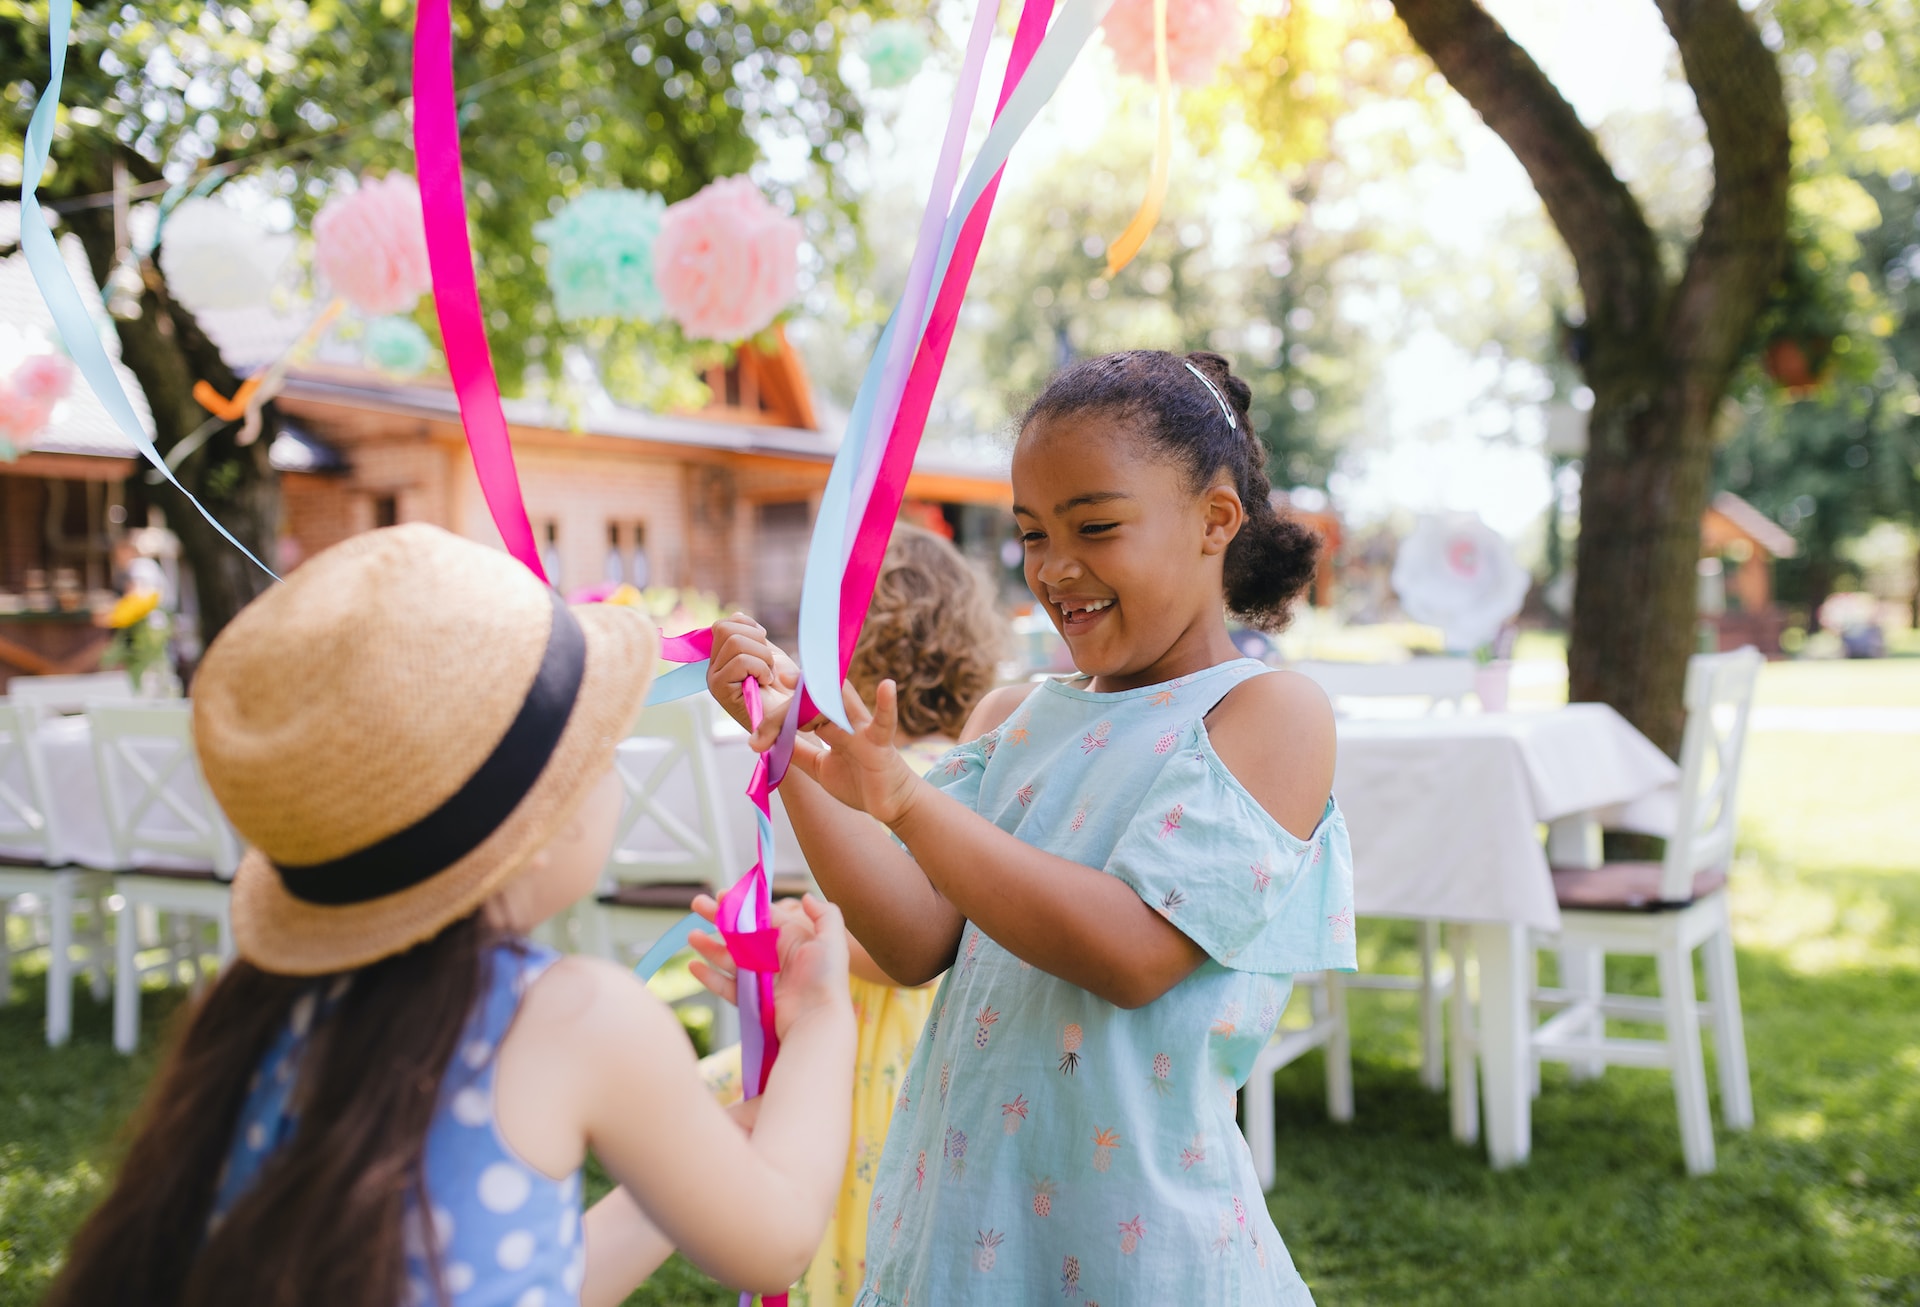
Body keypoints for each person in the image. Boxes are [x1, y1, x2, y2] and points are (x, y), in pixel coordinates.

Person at [43, 524, 856, 1307]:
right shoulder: (577, 1016)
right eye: (600, 750)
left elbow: (523, 1279)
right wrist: (821, 1017)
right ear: (539, 825)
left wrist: (683, 1168)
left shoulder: (263, 1007)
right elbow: (777, 1238)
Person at [705, 350, 1356, 1305]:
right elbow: (915, 938)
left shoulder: (1268, 714)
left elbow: (1133, 952)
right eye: (1030, 533)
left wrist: (906, 802)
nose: (1054, 567)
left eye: (1095, 525)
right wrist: (788, 754)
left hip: (1139, 1249)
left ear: (1217, 518)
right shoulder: (1011, 716)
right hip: (963, 1226)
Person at [699, 524, 1007, 1306]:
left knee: (865, 1190)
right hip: (918, 1036)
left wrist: (797, 946)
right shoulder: (970, 763)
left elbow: (908, 938)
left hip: (883, 1046)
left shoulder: (892, 779)